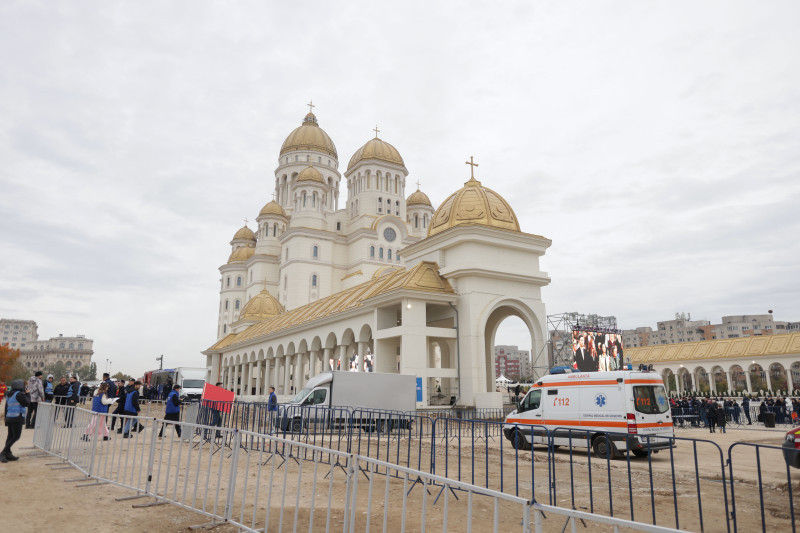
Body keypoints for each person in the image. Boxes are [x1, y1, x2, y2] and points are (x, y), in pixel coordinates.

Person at [1, 379, 30, 463]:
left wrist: (6, 419)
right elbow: (27, 403)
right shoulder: (20, 394)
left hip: (10, 417)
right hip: (17, 417)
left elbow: (6, 407)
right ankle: (3, 453)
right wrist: (28, 394)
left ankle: (8, 453)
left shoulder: (9, 394)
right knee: (16, 436)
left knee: (10, 436)